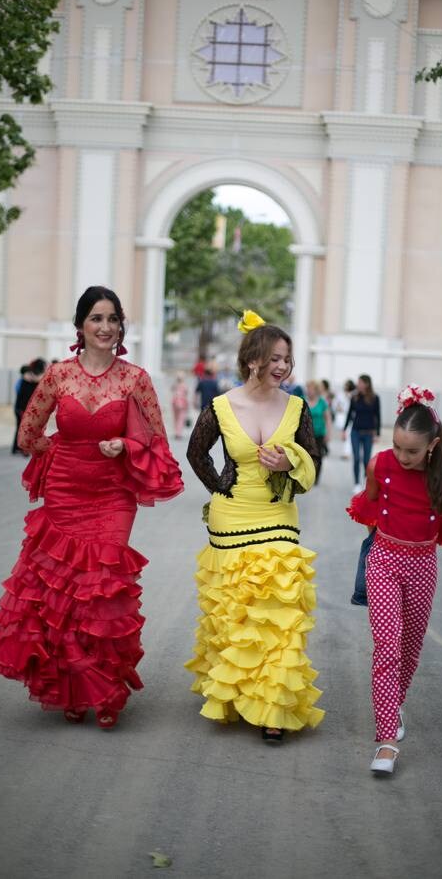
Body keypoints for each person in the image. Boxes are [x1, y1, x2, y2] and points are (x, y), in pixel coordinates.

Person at [0, 286, 184, 729]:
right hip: (65, 491)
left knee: (102, 587)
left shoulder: (135, 379)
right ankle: (72, 686)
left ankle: (105, 690)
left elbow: (157, 439)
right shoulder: (58, 376)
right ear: (81, 327)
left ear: (121, 326)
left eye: (113, 319)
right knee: (67, 593)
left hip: (113, 496)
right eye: (96, 319)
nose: (106, 327)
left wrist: (124, 443)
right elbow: (27, 434)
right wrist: (59, 451)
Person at [185, 309, 325, 743]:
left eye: (287, 359)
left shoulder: (297, 407)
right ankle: (237, 692)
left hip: (278, 516)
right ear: (253, 361)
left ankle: (272, 709)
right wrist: (220, 486)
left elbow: (315, 463)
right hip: (232, 519)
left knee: (281, 612)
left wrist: (290, 461)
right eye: (276, 358)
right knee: (236, 614)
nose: (283, 366)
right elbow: (196, 452)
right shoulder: (222, 406)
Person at [347, 384, 442, 775]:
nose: (402, 457)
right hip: (384, 560)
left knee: (409, 647)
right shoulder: (380, 465)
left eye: (413, 451)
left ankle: (393, 702)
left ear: (432, 446)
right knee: (387, 646)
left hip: (423, 565)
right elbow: (370, 504)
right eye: (398, 447)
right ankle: (387, 741)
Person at [343, 374, 381, 492]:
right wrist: (344, 430)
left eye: (360, 382)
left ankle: (366, 481)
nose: (358, 384)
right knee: (356, 458)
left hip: (368, 433)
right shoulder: (354, 397)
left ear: (367, 384)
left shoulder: (375, 398)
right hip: (355, 432)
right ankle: (356, 483)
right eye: (358, 382)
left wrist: (377, 433)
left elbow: (378, 416)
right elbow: (350, 414)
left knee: (366, 460)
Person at [11, 359, 47, 455]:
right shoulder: (29, 379)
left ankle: (18, 448)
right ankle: (22, 448)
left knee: (22, 428)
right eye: (44, 367)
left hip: (23, 408)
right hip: (23, 408)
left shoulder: (27, 378)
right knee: (24, 428)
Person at [305, 379, 332, 484]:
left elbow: (328, 419)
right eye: (307, 388)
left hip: (319, 434)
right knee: (307, 456)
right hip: (306, 435)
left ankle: (316, 477)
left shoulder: (322, 402)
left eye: (310, 389)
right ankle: (307, 476)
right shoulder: (303, 400)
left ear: (316, 390)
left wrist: (328, 434)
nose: (308, 391)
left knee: (318, 456)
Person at [171, 371, 190, 439]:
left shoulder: (175, 385)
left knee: (175, 418)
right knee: (181, 418)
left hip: (175, 402)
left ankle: (176, 432)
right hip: (182, 403)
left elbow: (172, 390)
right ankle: (179, 433)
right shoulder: (184, 386)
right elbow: (186, 394)